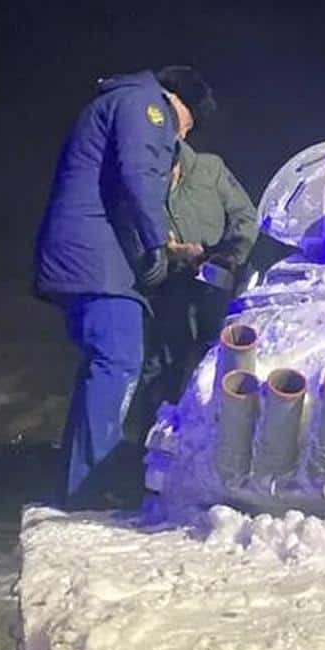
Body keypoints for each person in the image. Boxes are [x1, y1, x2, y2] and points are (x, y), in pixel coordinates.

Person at [32, 66, 215, 509]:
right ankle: (89, 487)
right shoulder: (148, 105)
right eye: (187, 125)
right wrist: (157, 248)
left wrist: (164, 248)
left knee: (105, 365)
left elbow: (122, 185)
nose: (182, 136)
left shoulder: (123, 101)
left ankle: (78, 486)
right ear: (179, 102)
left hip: (93, 257)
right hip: (97, 261)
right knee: (118, 359)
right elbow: (138, 176)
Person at [126, 142, 257, 446]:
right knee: (163, 365)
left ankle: (213, 441)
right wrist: (169, 254)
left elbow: (245, 216)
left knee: (217, 359)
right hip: (169, 290)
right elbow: (137, 243)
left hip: (216, 287)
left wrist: (231, 255)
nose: (166, 181)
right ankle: (150, 443)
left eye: (169, 173)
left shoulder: (210, 169)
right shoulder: (142, 187)